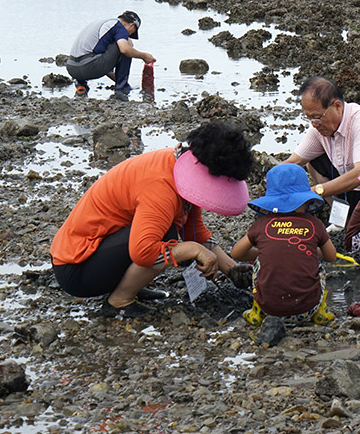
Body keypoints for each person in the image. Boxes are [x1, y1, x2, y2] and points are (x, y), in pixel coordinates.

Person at [49, 121, 252, 319]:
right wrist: (194, 250)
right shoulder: (161, 186)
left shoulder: (181, 168)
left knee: (164, 233)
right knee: (165, 236)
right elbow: (143, 252)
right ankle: (119, 300)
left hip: (103, 251)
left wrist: (232, 269)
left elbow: (193, 229)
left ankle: (129, 285)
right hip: (77, 269)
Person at [230, 163, 336, 335]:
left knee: (260, 264)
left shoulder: (262, 224)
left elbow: (236, 253)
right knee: (320, 267)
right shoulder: (315, 224)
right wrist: (309, 249)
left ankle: (256, 310)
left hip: (269, 309)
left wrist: (261, 253)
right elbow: (331, 256)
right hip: (306, 309)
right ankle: (320, 311)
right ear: (306, 200)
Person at [282, 76, 360, 219]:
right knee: (314, 163)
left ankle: (354, 221)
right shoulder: (319, 127)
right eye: (308, 118)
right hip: (354, 190)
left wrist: (315, 191)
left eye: (317, 117)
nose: (313, 124)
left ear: (337, 106)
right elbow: (293, 162)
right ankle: (341, 219)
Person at [65, 10, 155, 98]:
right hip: (88, 67)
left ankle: (81, 86)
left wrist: (117, 79)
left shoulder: (103, 24)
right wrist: (144, 56)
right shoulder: (119, 26)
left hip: (72, 69)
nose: (128, 35)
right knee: (127, 45)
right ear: (132, 25)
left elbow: (103, 63)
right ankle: (122, 89)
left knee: (113, 48)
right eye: (132, 33)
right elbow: (124, 50)